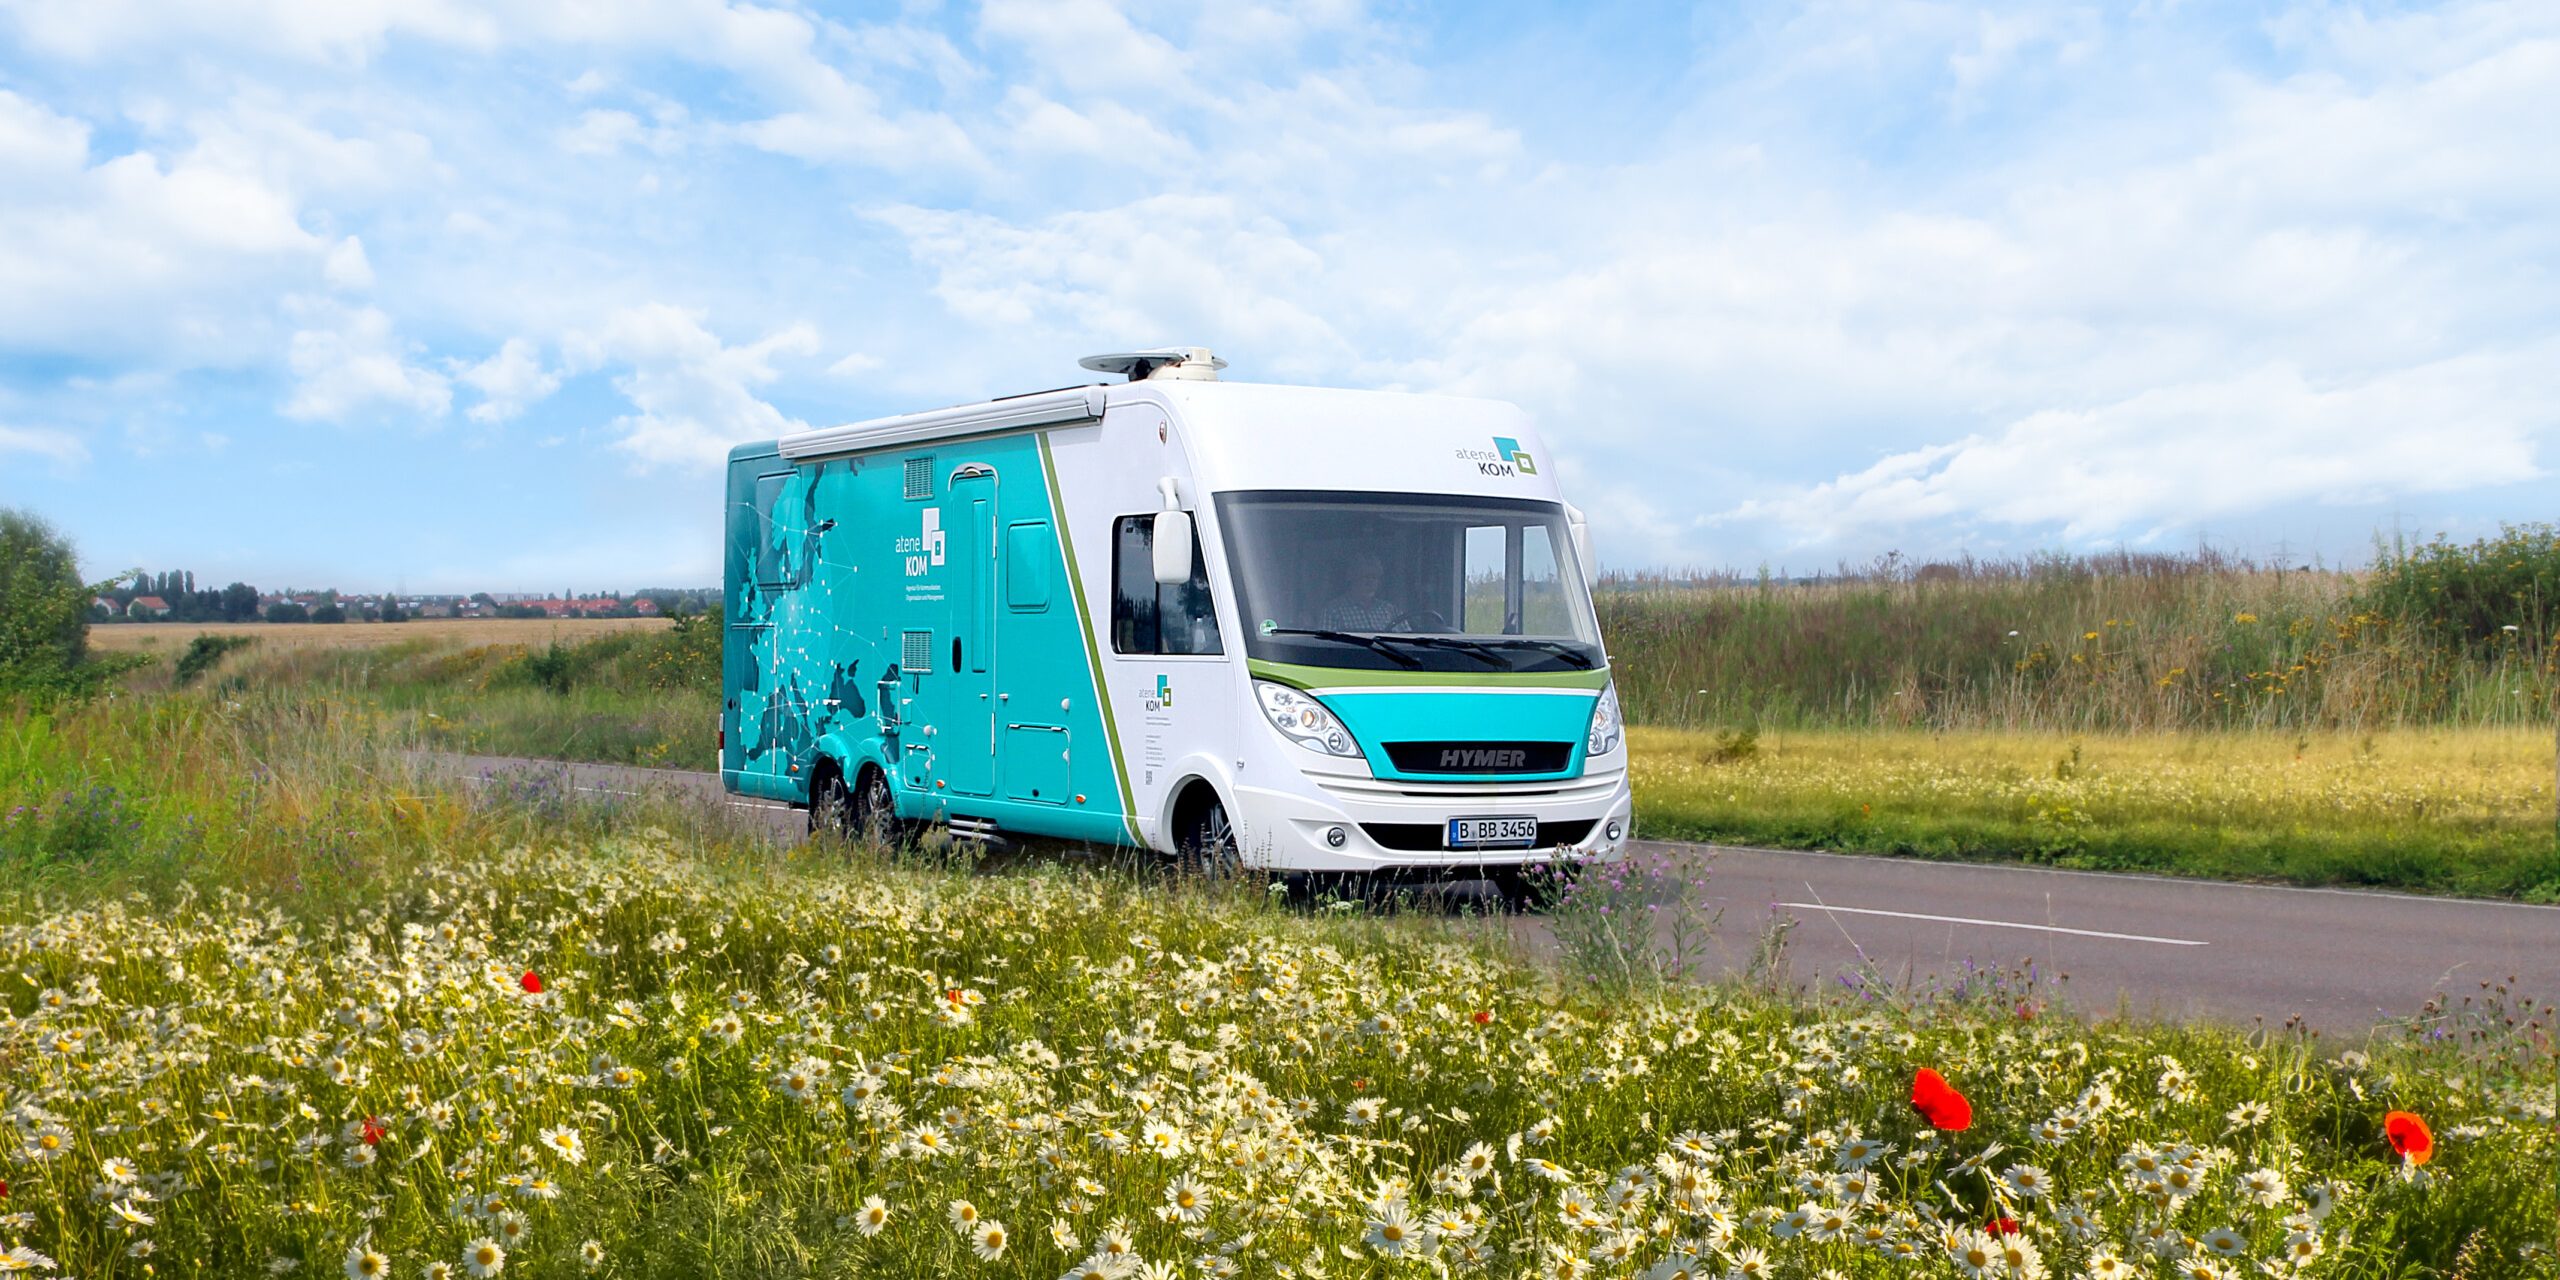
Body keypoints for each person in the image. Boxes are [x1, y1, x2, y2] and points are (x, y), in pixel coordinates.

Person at [1321, 550, 1401, 631]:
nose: (1370, 583)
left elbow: (1408, 638)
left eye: (1374, 577)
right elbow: (1325, 642)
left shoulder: (1390, 610)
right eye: (1365, 577)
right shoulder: (1333, 610)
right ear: (1352, 577)